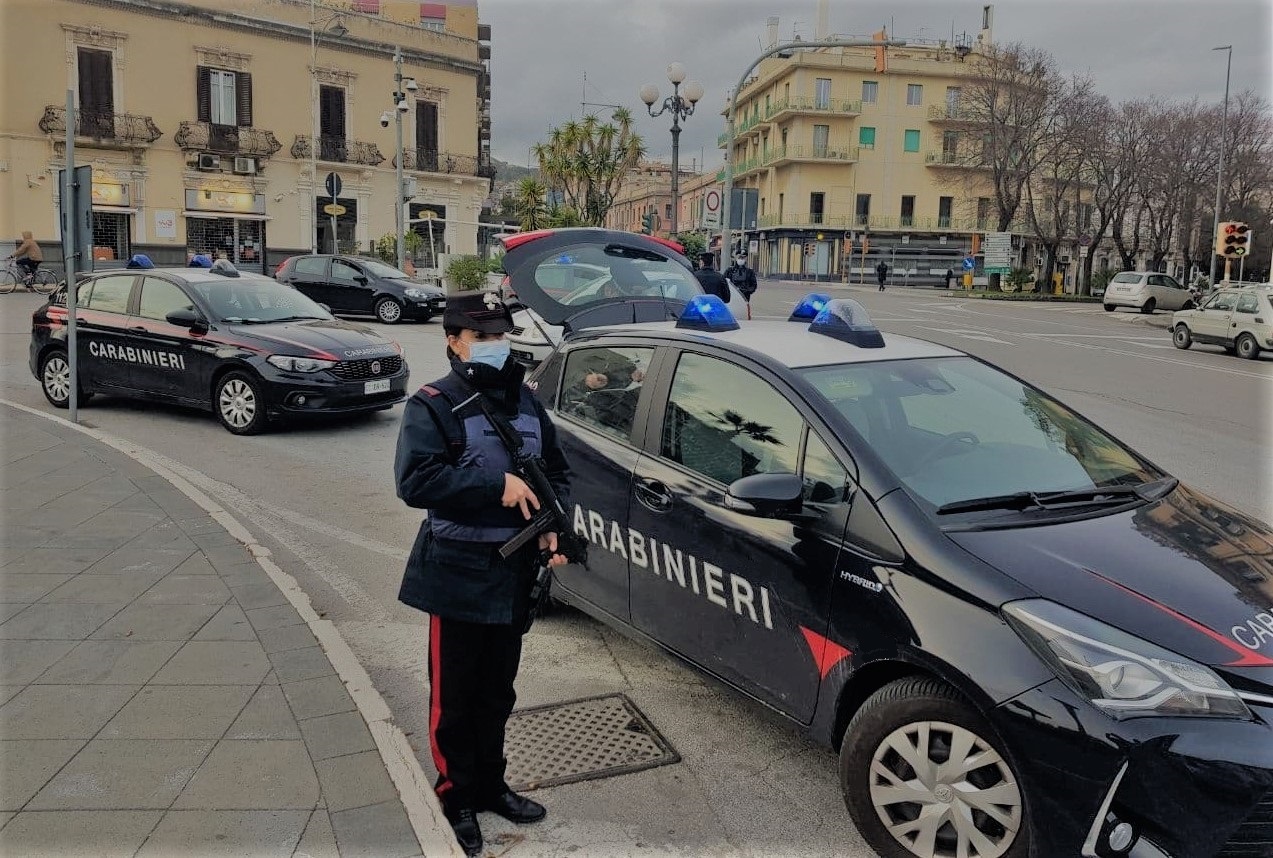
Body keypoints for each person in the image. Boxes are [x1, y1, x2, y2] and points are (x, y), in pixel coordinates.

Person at [394, 288, 571, 857]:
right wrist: (495, 485)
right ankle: (455, 796)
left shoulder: (525, 400)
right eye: (482, 337)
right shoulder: (433, 404)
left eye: (499, 336)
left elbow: (558, 471)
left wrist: (551, 525)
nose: (495, 346)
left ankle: (492, 785)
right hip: (457, 573)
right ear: (453, 341)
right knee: (454, 697)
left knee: (497, 691)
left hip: (513, 574)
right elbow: (416, 481)